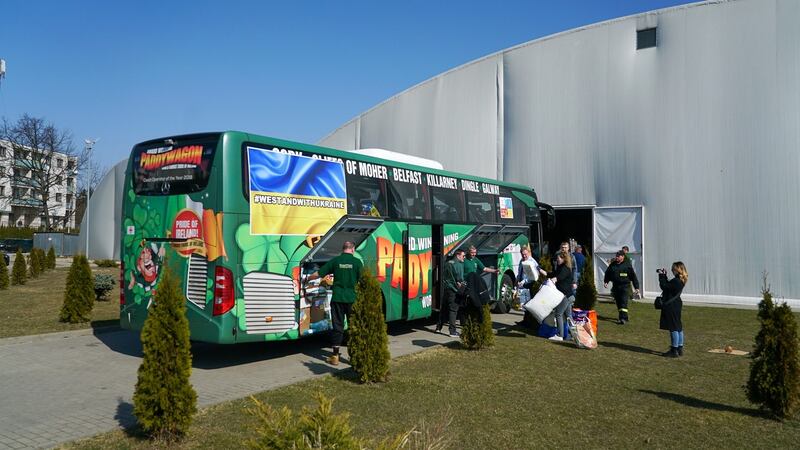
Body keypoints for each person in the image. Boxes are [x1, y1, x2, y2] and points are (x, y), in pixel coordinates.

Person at [307, 241, 363, 365]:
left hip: (337, 298)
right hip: (352, 299)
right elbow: (363, 280)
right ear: (352, 249)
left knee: (338, 327)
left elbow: (319, 273)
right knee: (353, 327)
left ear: (342, 249)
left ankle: (335, 356)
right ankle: (354, 356)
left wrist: (308, 278)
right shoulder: (357, 262)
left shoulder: (336, 261)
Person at [539, 250, 574, 341]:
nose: (556, 260)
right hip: (568, 295)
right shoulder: (560, 267)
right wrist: (542, 271)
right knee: (568, 316)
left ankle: (559, 335)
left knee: (558, 313)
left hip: (565, 296)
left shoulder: (565, 268)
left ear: (563, 258)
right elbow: (552, 274)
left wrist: (555, 279)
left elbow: (560, 277)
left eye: (558, 258)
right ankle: (572, 334)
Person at [658, 262, 688, 357]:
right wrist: (665, 276)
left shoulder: (676, 281)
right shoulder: (680, 280)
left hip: (672, 305)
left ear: (677, 270)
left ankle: (674, 350)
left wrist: (661, 276)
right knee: (678, 326)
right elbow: (668, 287)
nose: (672, 270)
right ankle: (680, 348)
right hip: (676, 304)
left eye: (673, 269)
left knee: (673, 328)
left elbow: (664, 287)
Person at [604, 250, 640, 324]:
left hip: (625, 286)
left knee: (623, 302)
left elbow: (633, 277)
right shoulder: (613, 265)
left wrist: (636, 287)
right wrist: (606, 281)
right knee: (619, 303)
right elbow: (608, 273)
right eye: (616, 256)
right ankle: (622, 318)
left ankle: (624, 319)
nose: (617, 257)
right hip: (616, 287)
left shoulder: (627, 265)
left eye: (618, 256)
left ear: (623, 257)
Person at [436, 248, 466, 338]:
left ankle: (438, 328)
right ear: (458, 255)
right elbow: (460, 279)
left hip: (446, 289)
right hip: (454, 290)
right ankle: (452, 331)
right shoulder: (458, 264)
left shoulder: (448, 263)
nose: (464, 258)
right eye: (463, 256)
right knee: (453, 310)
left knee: (444, 309)